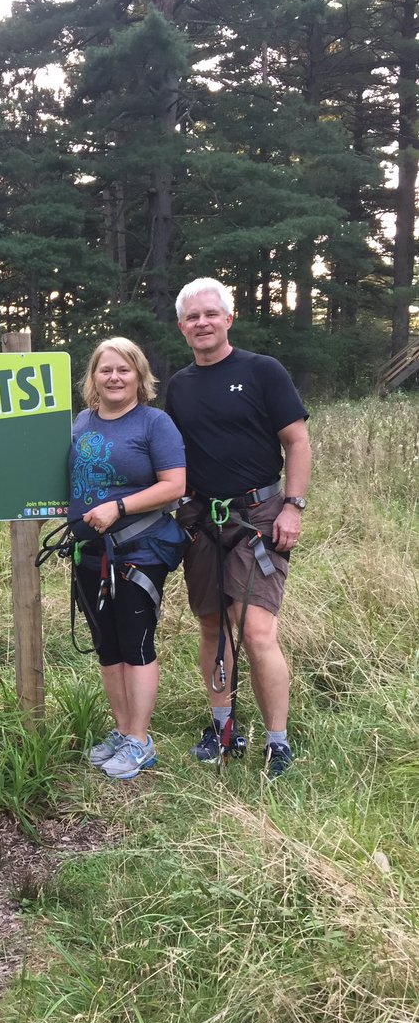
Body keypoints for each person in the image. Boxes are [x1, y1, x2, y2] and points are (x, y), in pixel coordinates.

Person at [165, 277, 312, 778]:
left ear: (229, 318)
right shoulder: (179, 386)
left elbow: (296, 441)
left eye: (211, 314)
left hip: (259, 516)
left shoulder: (262, 371)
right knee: (212, 624)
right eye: (192, 317)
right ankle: (224, 727)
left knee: (255, 630)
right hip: (203, 521)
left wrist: (293, 505)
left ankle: (278, 742)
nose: (201, 323)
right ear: (182, 326)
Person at [70, 338, 187, 780]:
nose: (114, 378)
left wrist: (118, 508)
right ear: (93, 378)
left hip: (140, 549)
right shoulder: (81, 423)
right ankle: (122, 732)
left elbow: (174, 485)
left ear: (140, 376)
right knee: (108, 645)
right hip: (89, 551)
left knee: (136, 643)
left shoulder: (155, 424)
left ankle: (140, 740)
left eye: (124, 370)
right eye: (106, 370)